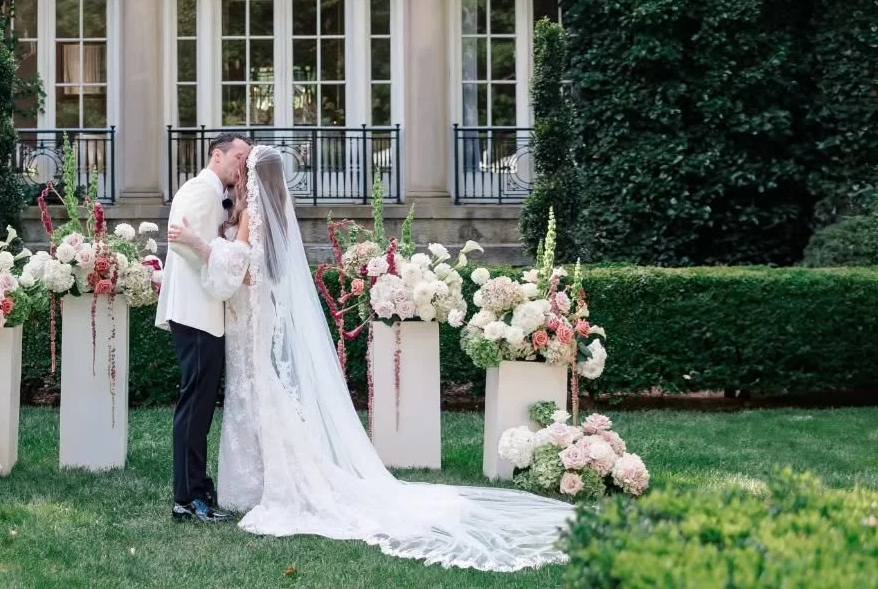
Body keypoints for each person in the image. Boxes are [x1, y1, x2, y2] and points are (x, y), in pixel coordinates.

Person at [169, 145, 575, 572]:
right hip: (248, 320)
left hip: (245, 323)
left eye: (243, 167)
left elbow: (245, 271)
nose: (237, 171)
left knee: (256, 395)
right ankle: (248, 482)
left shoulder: (254, 216)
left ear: (252, 178)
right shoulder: (258, 214)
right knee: (257, 394)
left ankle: (267, 484)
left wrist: (203, 244)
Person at [155, 131, 251, 523]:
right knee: (194, 407)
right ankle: (187, 497)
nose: (242, 165)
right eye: (239, 157)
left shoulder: (220, 195)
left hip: (209, 314)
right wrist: (218, 270)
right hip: (195, 314)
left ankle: (198, 488)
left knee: (201, 406)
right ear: (218, 155)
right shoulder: (199, 189)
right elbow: (179, 240)